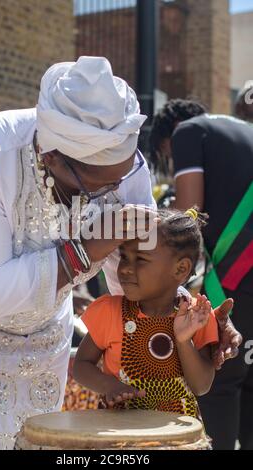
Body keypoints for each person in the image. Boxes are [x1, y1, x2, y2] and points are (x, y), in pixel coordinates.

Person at [0, 58, 240, 449]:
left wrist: (191, 316)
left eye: (118, 181)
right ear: (50, 158)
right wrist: (85, 252)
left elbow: (146, 277)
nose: (112, 193)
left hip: (48, 340)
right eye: (97, 187)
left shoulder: (124, 171)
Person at [150, 99, 253, 449]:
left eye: (168, 155)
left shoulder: (189, 132)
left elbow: (186, 223)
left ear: (172, 131)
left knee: (218, 388)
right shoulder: (245, 132)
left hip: (231, 290)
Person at [73, 208, 217, 426]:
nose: (125, 269)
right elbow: (81, 365)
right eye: (124, 256)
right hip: (119, 434)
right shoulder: (110, 312)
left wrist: (183, 340)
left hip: (177, 438)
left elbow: (201, 385)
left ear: (180, 269)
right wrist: (109, 386)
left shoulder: (196, 316)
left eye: (140, 259)